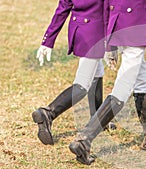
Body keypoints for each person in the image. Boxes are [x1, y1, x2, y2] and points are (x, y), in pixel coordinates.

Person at [68, 0, 146, 165]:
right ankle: (84, 140)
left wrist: (108, 43)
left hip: (116, 26)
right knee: (123, 87)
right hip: (136, 27)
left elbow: (106, 5)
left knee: (141, 78)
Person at [32, 0, 116, 145]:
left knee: (97, 71)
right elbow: (108, 11)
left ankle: (96, 121)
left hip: (79, 32)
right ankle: (49, 113)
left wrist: (47, 40)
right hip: (94, 33)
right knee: (82, 84)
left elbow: (62, 9)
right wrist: (110, 44)